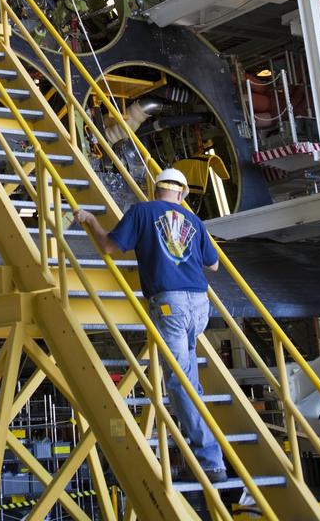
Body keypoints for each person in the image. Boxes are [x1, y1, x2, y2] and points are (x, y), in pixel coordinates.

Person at [75, 166, 227, 483]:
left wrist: (90, 220)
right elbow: (213, 264)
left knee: (178, 382)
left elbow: (108, 247)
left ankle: (210, 459)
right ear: (182, 193)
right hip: (199, 304)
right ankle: (198, 455)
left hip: (170, 305)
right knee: (190, 381)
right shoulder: (195, 221)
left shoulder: (142, 211)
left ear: (155, 188)